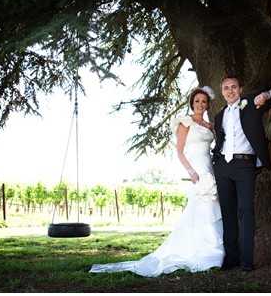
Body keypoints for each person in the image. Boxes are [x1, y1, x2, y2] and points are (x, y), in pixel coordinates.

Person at [89, 86, 224, 277]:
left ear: (208, 104)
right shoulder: (185, 122)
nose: (200, 104)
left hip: (209, 167)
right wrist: (191, 172)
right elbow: (179, 151)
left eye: (203, 101)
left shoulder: (209, 126)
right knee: (199, 208)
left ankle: (211, 249)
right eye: (197, 101)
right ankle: (199, 251)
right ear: (192, 104)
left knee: (212, 208)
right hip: (197, 170)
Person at [212, 76, 271, 272]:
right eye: (226, 88)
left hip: (245, 165)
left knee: (246, 211)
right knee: (228, 213)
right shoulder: (219, 116)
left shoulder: (250, 104)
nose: (230, 91)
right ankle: (231, 258)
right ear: (222, 92)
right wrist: (216, 161)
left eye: (233, 87)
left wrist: (263, 95)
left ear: (240, 89)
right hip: (223, 167)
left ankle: (247, 260)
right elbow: (221, 140)